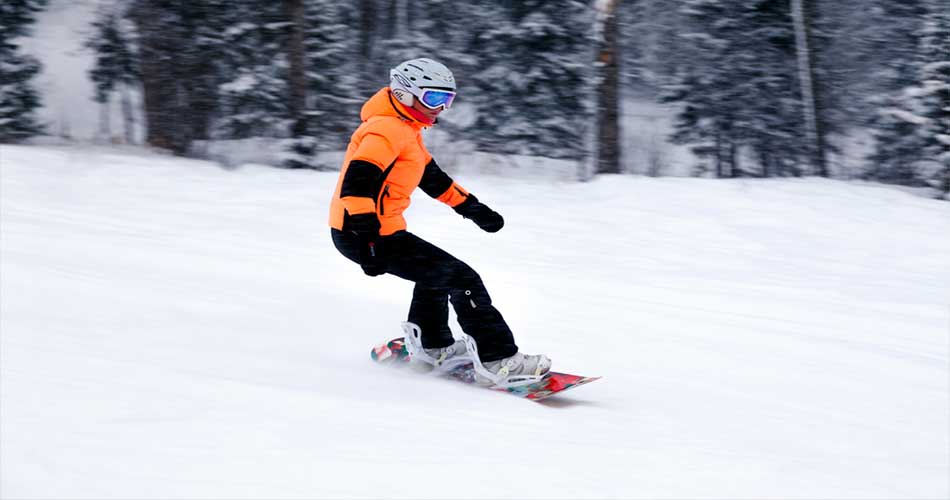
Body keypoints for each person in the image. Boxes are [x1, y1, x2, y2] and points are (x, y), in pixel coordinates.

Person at [328, 57, 551, 387]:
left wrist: (474, 209)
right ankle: (498, 360)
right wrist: (369, 241)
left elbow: (433, 179)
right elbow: (357, 186)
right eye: (434, 99)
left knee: (439, 275)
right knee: (463, 279)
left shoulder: (405, 129)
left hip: (378, 231)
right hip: (365, 232)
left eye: (448, 100)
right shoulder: (384, 130)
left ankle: (434, 348)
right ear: (406, 95)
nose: (441, 109)